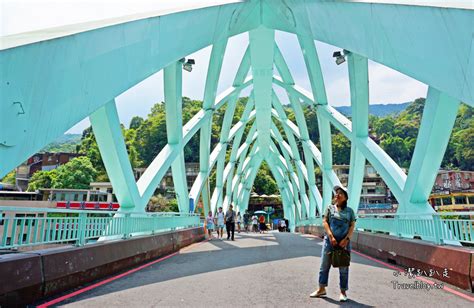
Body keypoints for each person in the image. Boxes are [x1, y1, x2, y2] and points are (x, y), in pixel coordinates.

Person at [310, 186, 356, 302]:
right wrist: (331, 236)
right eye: (336, 193)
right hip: (329, 241)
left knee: (343, 267)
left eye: (340, 193)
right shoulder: (330, 208)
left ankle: (343, 292)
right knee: (324, 265)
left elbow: (352, 225)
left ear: (345, 197)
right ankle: (321, 289)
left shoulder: (349, 211)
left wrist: (347, 239)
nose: (337, 195)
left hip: (344, 242)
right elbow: (325, 221)